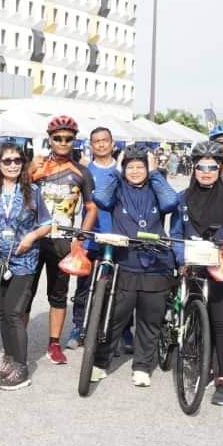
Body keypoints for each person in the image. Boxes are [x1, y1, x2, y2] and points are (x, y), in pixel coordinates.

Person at [90, 146, 179, 387]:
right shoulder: (117, 187)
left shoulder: (156, 187)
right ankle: (100, 362)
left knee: (150, 319)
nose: (136, 171)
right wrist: (116, 171)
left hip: (156, 263)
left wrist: (156, 173)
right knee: (115, 317)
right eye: (131, 167)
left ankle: (142, 366)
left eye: (141, 166)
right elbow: (100, 198)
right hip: (125, 261)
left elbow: (171, 202)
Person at [170, 141, 223, 406]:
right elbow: (176, 233)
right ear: (193, 169)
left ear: (220, 169)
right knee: (196, 319)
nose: (206, 172)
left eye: (212, 167)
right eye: (201, 167)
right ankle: (202, 365)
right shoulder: (182, 198)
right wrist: (180, 257)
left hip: (222, 266)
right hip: (194, 266)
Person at [0, 142, 52, 390]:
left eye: (17, 160)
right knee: (4, 314)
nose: (13, 165)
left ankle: (22, 367)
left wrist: (32, 237)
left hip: (25, 261)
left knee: (14, 313)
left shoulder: (33, 191)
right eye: (7, 161)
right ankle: (10, 359)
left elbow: (47, 224)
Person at [29, 115, 97, 365]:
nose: (63, 142)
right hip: (34, 237)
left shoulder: (82, 172)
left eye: (68, 138)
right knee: (24, 294)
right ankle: (18, 343)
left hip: (62, 240)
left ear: (74, 140)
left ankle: (54, 344)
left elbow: (91, 208)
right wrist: (29, 170)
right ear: (50, 139)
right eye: (58, 138)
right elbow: (17, 191)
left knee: (58, 295)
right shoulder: (37, 166)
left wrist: (81, 237)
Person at [68, 126, 120, 348]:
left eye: (104, 140)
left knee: (119, 287)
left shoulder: (123, 170)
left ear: (112, 143)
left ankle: (121, 331)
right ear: (91, 145)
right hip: (90, 236)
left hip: (117, 236)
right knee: (84, 285)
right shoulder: (84, 170)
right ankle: (79, 326)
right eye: (96, 141)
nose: (101, 144)